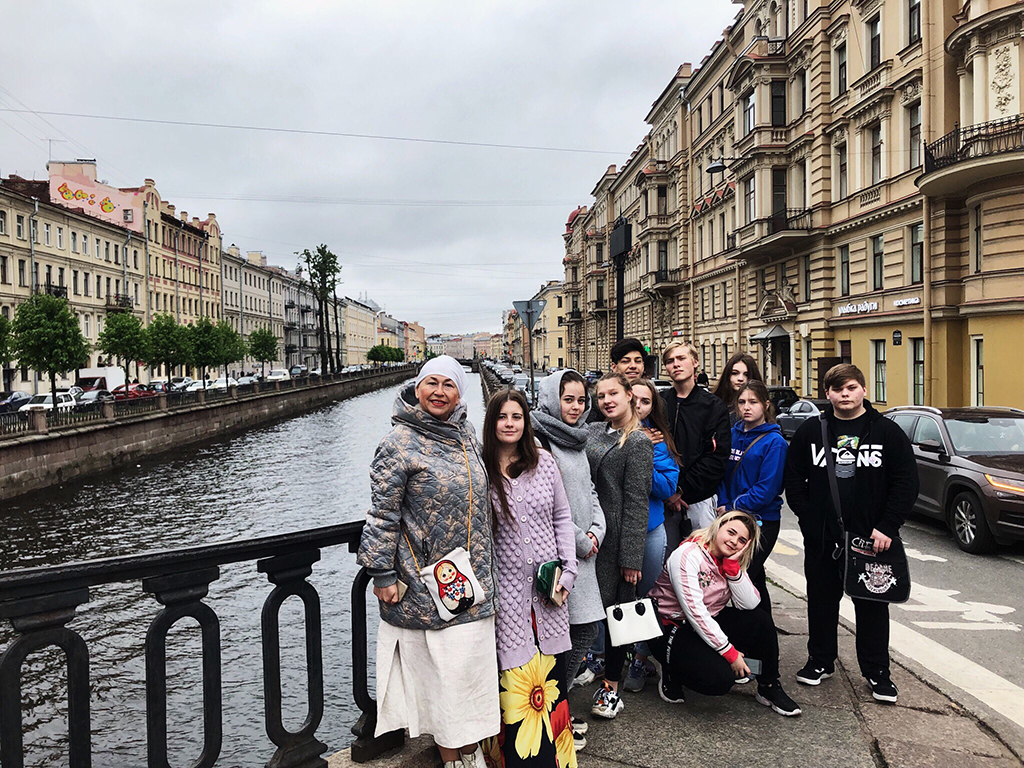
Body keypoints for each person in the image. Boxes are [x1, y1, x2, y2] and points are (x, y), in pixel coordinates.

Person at [357, 356, 496, 768]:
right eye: (431, 383)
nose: (439, 392)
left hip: (473, 580)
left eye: (448, 384)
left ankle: (471, 752)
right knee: (444, 681)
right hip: (428, 583)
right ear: (417, 388)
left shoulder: (466, 434)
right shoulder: (398, 442)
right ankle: (455, 760)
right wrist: (382, 572)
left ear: (459, 393)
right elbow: (382, 514)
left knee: (470, 679)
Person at [784, 364, 919, 703]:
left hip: (872, 539)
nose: (845, 394)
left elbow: (905, 483)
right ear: (827, 393)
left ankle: (877, 672)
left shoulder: (886, 432)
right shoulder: (811, 430)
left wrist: (887, 526)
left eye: (851, 387)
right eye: (837, 389)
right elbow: (794, 478)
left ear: (863, 390)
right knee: (821, 601)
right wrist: (808, 518)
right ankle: (820, 661)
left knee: (872, 606)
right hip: (823, 537)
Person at [481, 389, 579, 768]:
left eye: (517, 417)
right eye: (502, 417)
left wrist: (568, 571)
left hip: (549, 598)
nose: (510, 424)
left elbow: (562, 518)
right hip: (507, 602)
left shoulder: (544, 463)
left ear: (526, 422)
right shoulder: (481, 470)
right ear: (492, 422)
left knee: (553, 692)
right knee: (518, 695)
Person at [646, 510, 802, 716]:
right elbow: (695, 612)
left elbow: (750, 603)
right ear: (718, 527)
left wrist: (733, 570)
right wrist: (730, 653)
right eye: (731, 532)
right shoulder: (687, 555)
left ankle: (769, 686)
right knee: (719, 680)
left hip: (707, 622)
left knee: (761, 620)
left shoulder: (730, 560)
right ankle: (672, 670)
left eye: (742, 540)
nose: (734, 541)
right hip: (671, 627)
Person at [530, 369, 606, 747]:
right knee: (563, 637)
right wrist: (580, 540)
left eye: (581, 400)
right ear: (550, 399)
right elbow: (545, 503)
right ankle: (554, 712)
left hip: (584, 554)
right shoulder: (539, 439)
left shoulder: (577, 438)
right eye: (568, 399)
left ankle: (558, 706)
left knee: (584, 631)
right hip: (559, 554)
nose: (576, 407)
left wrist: (597, 530)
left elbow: (590, 491)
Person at [585, 373, 654, 719]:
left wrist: (631, 557)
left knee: (618, 616)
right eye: (601, 396)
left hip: (615, 544)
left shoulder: (638, 441)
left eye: (613, 393)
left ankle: (611, 687)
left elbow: (637, 502)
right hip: (589, 536)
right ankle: (588, 665)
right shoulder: (594, 431)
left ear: (629, 396)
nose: (607, 401)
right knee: (587, 612)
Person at [622, 378, 679, 693]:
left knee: (646, 598)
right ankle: (606, 654)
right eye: (634, 400)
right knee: (614, 597)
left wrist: (641, 455)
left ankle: (640, 658)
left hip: (649, 529)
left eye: (645, 402)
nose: (638, 407)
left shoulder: (657, 441)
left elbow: (667, 486)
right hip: (615, 530)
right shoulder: (607, 434)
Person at [716, 381, 787, 616]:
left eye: (753, 402)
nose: (746, 407)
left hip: (761, 521)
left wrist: (733, 507)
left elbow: (767, 488)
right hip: (729, 518)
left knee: (743, 579)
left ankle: (759, 630)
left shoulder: (775, 443)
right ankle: (760, 630)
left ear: (766, 405)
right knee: (753, 580)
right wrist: (723, 504)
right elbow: (721, 475)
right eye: (742, 402)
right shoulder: (732, 435)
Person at [659, 342, 731, 548]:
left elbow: (716, 458)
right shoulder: (659, 403)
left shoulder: (713, 406)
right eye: (670, 361)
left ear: (695, 362)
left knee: (701, 560)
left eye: (681, 358)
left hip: (699, 501)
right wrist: (668, 491)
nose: (676, 364)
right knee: (665, 562)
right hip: (662, 499)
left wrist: (680, 490)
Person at [585, 338, 646, 423]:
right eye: (625, 361)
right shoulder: (594, 401)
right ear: (614, 367)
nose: (633, 366)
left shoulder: (653, 397)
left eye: (638, 361)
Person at [712, 353, 764, 425]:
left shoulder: (759, 408)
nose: (740, 378)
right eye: (735, 373)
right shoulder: (713, 404)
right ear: (727, 375)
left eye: (746, 374)